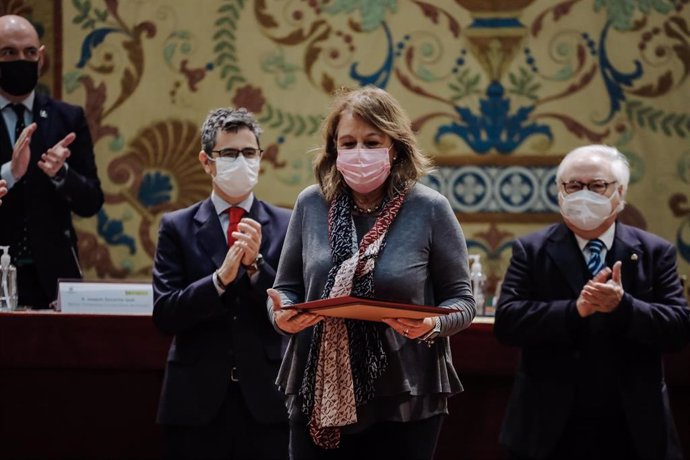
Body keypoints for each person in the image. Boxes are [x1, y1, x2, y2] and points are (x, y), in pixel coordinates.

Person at [266, 86, 476, 460]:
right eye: (347, 143)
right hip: (319, 386)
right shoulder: (310, 203)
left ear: (394, 146)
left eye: (371, 141)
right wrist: (282, 315)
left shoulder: (429, 208)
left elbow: (462, 301)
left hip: (404, 391)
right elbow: (286, 291)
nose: (358, 153)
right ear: (334, 150)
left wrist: (433, 324)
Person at [494, 144, 690, 460]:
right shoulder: (531, 250)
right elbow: (508, 323)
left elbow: (679, 329)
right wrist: (575, 310)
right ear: (559, 191)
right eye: (573, 185)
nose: (584, 194)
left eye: (597, 185)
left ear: (620, 192)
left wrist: (623, 306)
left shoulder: (656, 252)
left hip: (634, 423)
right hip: (548, 424)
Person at [152, 107, 291, 460]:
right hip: (195, 401)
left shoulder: (287, 224)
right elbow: (165, 314)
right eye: (229, 154)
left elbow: (295, 309)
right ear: (206, 161)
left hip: (267, 398)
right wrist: (218, 281)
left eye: (249, 153)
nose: (241, 161)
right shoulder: (176, 227)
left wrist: (257, 267)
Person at [0, 15, 103, 309]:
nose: (21, 60)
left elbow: (92, 201)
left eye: (29, 52)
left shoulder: (67, 118)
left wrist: (62, 174)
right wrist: (11, 173)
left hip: (52, 277)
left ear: (41, 57)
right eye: (9, 52)